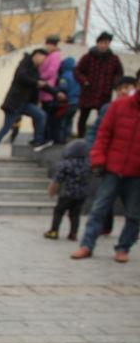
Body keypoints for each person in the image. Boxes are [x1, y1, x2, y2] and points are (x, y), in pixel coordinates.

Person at [71, 73, 140, 263]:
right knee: (99, 208)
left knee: (134, 215)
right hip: (112, 168)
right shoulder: (118, 106)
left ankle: (123, 248)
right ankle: (86, 245)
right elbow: (103, 133)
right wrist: (98, 159)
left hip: (136, 173)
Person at [84, 75, 137, 236]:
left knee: (132, 203)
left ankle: (131, 233)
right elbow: (96, 131)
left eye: (127, 87)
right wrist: (94, 151)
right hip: (109, 162)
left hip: (133, 165)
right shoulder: (109, 108)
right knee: (104, 199)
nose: (123, 91)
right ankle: (103, 228)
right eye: (120, 89)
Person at [0, 48, 54, 161]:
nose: (43, 61)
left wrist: (56, 93)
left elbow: (42, 85)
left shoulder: (35, 69)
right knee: (6, 128)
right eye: (42, 58)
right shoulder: (25, 64)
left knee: (40, 115)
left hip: (25, 103)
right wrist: (36, 83)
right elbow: (22, 77)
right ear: (36, 55)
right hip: (14, 103)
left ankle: (37, 141)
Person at [74, 31, 123, 138]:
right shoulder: (88, 57)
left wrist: (114, 84)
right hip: (88, 92)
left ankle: (99, 139)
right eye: (102, 42)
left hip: (104, 93)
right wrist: (84, 81)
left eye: (106, 43)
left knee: (103, 118)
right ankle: (80, 137)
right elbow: (77, 71)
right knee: (83, 117)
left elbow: (119, 73)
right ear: (97, 43)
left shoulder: (114, 59)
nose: (104, 45)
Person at [44, 139, 90, 241]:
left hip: (67, 193)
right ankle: (73, 234)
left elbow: (57, 180)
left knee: (59, 211)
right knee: (75, 214)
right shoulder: (87, 164)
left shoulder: (66, 163)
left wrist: (52, 191)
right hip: (81, 194)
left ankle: (54, 231)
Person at [38, 35, 62, 143]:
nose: (47, 47)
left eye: (48, 45)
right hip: (42, 90)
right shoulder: (49, 55)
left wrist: (40, 77)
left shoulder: (55, 56)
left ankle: (47, 138)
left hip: (48, 88)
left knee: (46, 115)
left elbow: (51, 71)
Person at [56, 56, 81, 144]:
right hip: (76, 103)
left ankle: (61, 140)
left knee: (62, 121)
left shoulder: (64, 76)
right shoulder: (77, 76)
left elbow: (63, 88)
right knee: (70, 121)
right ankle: (68, 138)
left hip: (67, 103)